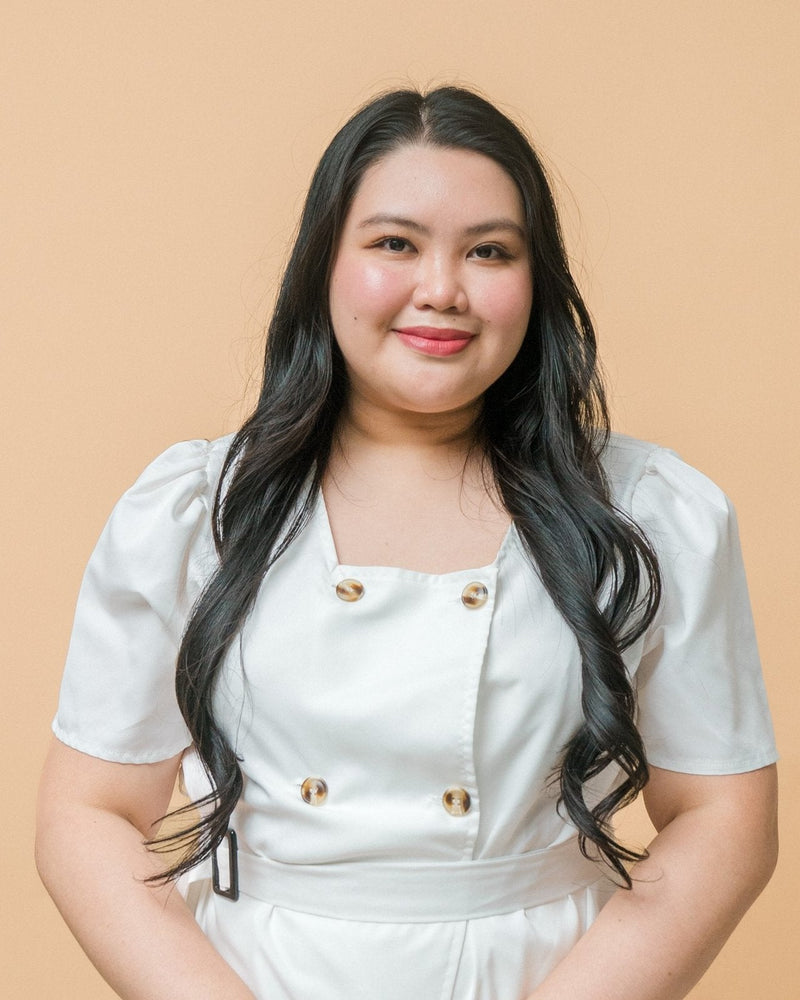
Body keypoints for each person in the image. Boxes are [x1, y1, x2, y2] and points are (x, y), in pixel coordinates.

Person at [35, 86, 778, 1000]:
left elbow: (723, 815)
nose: (442, 289)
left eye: (490, 251)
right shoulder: (196, 508)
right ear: (323, 266)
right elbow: (87, 812)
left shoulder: (649, 512)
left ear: (536, 280)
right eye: (394, 243)